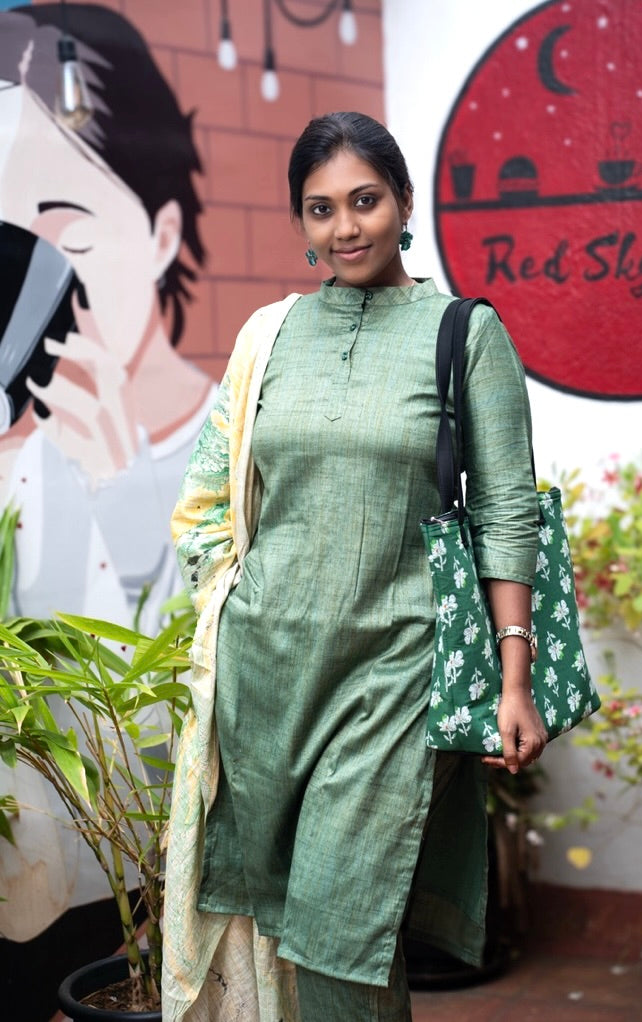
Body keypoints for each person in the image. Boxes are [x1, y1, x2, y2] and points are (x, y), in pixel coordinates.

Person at [164, 111, 547, 1022]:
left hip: (394, 674)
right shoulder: (270, 336)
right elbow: (205, 495)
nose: (345, 227)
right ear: (300, 221)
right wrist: (235, 600)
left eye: (365, 201)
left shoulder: (464, 334)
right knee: (294, 934)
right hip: (266, 677)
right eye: (321, 208)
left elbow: (505, 510)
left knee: (342, 929)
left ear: (404, 202)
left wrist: (514, 679)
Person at [0, 3, 214, 940]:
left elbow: (212, 666)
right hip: (35, 872)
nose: (33, 274)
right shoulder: (17, 454)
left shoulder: (229, 434)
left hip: (156, 878)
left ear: (162, 233)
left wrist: (120, 492)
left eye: (65, 228)